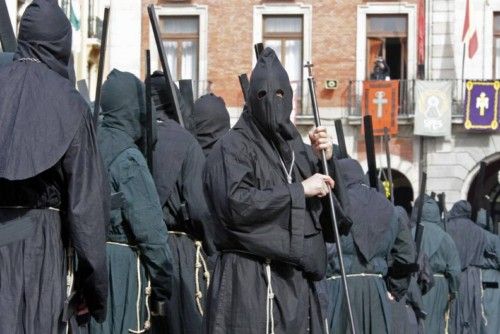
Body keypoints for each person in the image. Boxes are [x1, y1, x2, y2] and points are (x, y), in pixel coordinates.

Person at [202, 47, 351, 334]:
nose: (273, 102)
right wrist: (298, 191)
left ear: (291, 98)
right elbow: (236, 205)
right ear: (251, 98)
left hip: (297, 291)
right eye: (263, 95)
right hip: (246, 287)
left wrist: (326, 160)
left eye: (281, 94)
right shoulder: (232, 147)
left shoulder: (300, 152)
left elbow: (334, 223)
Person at [0, 0, 108, 332]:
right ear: (61, 43)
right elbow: (86, 208)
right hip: (40, 249)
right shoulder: (70, 104)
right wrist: (93, 289)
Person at [89, 69, 173, 334]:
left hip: (88, 266)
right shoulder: (128, 158)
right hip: (120, 268)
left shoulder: (89, 143)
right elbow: (151, 232)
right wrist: (163, 282)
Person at [148, 75, 215, 334]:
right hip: (179, 253)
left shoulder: (133, 135)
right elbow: (199, 208)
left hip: (139, 249)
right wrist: (212, 247)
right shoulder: (186, 142)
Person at [326, 159, 416, 334]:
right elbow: (406, 255)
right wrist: (396, 289)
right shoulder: (390, 208)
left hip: (338, 289)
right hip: (376, 290)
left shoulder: (334, 204)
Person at [446, 201, 500, 334]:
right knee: (471, 318)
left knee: (452, 317)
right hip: (473, 278)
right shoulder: (478, 231)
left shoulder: (446, 227)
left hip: (451, 277)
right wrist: (483, 262)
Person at [410, 195, 461, 334]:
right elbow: (455, 270)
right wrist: (453, 290)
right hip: (439, 285)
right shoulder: (445, 237)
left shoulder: (411, 232)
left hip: (415, 282)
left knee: (416, 321)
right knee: (436, 324)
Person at [475, 209, 500, 334]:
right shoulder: (494, 239)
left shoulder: (472, 237)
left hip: (475, 277)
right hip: (493, 279)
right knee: (492, 317)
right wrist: (491, 263)